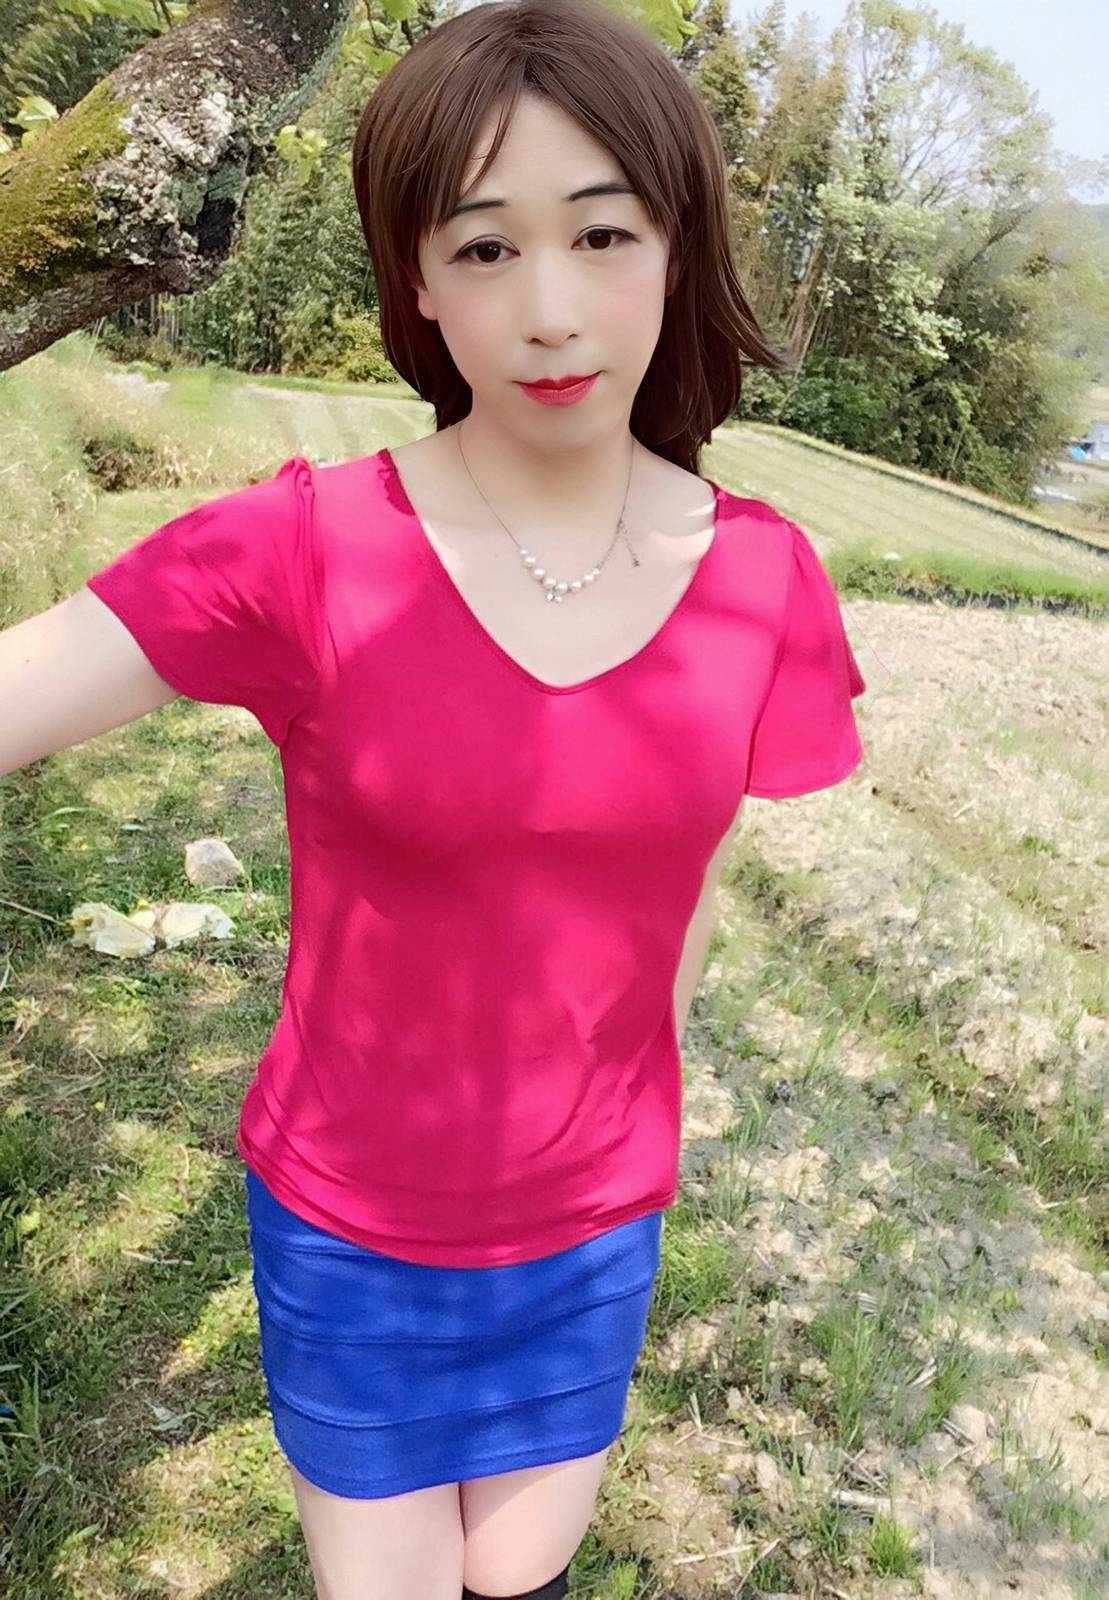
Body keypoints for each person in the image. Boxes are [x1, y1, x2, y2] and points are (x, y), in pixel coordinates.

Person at [0, 0, 867, 1594]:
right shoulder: (301, 550)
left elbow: (684, 886)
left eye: (601, 233)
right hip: (352, 1227)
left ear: (674, 247)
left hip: (593, 1226)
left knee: (519, 1572)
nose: (550, 310)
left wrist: (626, 1117)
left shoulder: (763, 581)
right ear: (415, 278)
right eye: (482, 248)